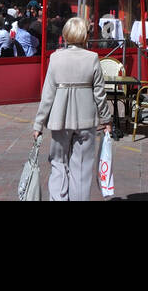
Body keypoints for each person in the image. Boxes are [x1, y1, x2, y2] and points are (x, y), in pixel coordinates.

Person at [32, 17, 112, 201]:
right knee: (82, 167)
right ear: (85, 35)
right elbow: (100, 94)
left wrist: (38, 124)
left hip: (60, 119)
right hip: (86, 120)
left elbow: (47, 94)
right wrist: (106, 120)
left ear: (65, 35)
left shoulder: (55, 57)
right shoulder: (92, 58)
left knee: (58, 162)